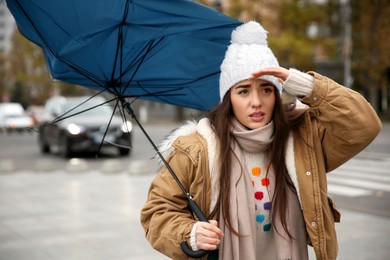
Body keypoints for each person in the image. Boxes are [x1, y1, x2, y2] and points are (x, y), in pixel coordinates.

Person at [140, 21, 382, 260]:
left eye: (266, 89)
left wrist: (306, 86)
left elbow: (363, 125)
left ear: (277, 94)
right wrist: (190, 232)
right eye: (244, 90)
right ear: (229, 99)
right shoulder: (197, 149)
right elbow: (157, 213)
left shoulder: (302, 139)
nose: (256, 101)